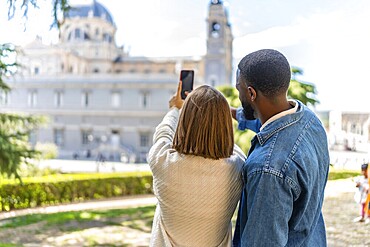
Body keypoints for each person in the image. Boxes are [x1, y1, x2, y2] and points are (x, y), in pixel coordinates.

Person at [232, 49, 330, 246]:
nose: (238, 93)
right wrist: (230, 113)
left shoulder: (268, 170)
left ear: (251, 93)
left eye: (239, 89)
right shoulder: (309, 120)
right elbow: (267, 123)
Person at [148, 82, 246, 247]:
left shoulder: (163, 162)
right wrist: (217, 116)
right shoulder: (237, 169)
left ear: (185, 122)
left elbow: (164, 133)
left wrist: (175, 108)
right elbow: (230, 146)